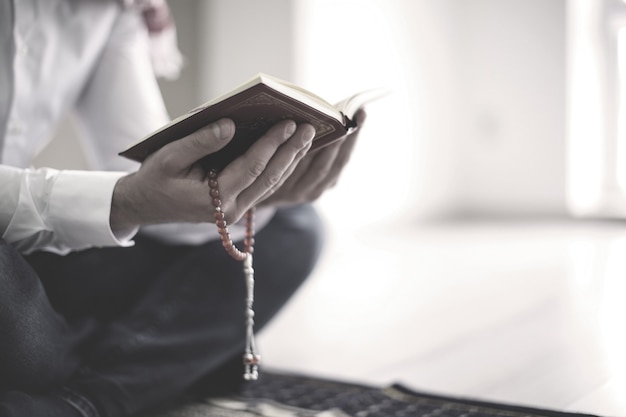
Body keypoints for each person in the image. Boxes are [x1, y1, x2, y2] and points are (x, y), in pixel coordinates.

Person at [0, 0, 366, 416]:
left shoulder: (112, 10)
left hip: (35, 251)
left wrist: (246, 193)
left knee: (292, 229)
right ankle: (146, 358)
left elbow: (139, 172)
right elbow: (130, 194)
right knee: (34, 350)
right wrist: (126, 201)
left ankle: (84, 402)